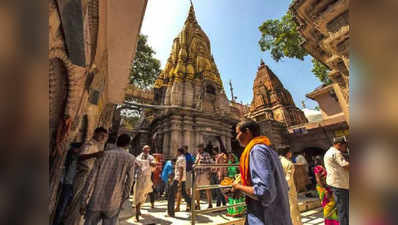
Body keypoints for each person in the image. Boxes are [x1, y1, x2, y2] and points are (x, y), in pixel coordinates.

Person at [231, 120, 292, 225]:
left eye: (238, 133)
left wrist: (238, 187)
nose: (236, 137)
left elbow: (265, 193)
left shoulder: (257, 151)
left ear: (247, 131)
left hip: (266, 217)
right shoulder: (269, 149)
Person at [80, 134, 136, 225]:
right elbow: (129, 182)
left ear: (117, 142)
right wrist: (123, 199)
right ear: (128, 144)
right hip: (114, 201)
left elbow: (91, 178)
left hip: (96, 200)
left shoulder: (103, 155)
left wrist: (84, 199)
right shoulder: (130, 158)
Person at [64, 127, 108, 225]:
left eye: (104, 136)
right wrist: (94, 155)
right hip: (82, 174)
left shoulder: (97, 146)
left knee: (81, 201)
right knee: (76, 201)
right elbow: (80, 157)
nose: (102, 138)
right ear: (95, 133)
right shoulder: (89, 144)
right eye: (101, 135)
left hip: (89, 175)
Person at [53, 143, 82, 225]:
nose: (79, 151)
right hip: (67, 183)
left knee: (65, 205)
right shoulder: (70, 157)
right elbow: (64, 171)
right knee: (62, 205)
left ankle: (60, 221)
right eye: (77, 149)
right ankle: (57, 222)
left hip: (70, 183)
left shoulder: (74, 158)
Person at [324, 137, 349, 225]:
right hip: (339, 185)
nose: (345, 148)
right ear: (339, 145)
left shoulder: (329, 152)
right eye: (345, 146)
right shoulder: (336, 153)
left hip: (336, 184)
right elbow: (345, 165)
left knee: (343, 208)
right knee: (344, 209)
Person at [279, 147, 303, 225]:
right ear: (288, 153)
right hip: (288, 189)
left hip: (279, 189)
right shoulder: (289, 164)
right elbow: (288, 179)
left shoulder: (277, 162)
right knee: (292, 207)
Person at [313, 156, 339, 225]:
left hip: (327, 187)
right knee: (327, 205)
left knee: (332, 204)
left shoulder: (323, 167)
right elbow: (318, 180)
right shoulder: (317, 168)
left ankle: (333, 222)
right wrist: (325, 190)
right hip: (322, 188)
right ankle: (329, 222)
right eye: (317, 160)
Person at [133, 145, 156, 222]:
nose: (145, 151)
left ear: (149, 150)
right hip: (139, 178)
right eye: (144, 149)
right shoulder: (138, 157)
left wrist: (149, 163)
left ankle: (139, 208)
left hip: (147, 179)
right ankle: (136, 213)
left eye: (147, 150)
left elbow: (154, 165)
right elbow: (135, 164)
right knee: (137, 194)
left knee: (143, 195)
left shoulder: (151, 157)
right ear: (142, 150)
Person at [168, 147, 192, 216]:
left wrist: (179, 181)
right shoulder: (182, 158)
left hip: (178, 179)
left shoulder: (181, 158)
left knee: (171, 195)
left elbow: (181, 169)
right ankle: (193, 205)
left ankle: (171, 212)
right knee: (184, 194)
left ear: (179, 152)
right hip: (181, 179)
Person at [193, 143, 214, 210]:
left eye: (200, 148)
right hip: (198, 174)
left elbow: (210, 164)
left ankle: (210, 204)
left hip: (204, 173)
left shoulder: (206, 154)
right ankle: (198, 205)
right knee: (197, 189)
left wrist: (209, 173)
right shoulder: (198, 155)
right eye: (198, 148)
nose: (199, 149)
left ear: (202, 148)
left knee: (207, 189)